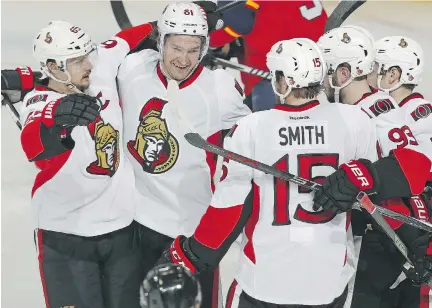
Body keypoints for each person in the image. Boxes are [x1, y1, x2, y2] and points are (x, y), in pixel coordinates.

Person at [158, 37, 379, 307]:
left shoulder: (252, 128)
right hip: (328, 283)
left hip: (264, 283)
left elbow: (229, 209)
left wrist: (191, 255)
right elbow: (369, 196)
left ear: (284, 82)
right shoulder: (354, 121)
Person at [117, 3, 251, 307]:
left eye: (193, 50)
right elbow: (99, 56)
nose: (183, 59)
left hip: (189, 233)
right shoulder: (132, 68)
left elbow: (255, 139)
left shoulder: (220, 89)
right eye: (176, 47)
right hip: (135, 224)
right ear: (160, 41)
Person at [18, 20, 154, 308]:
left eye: (87, 54)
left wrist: (179, 20)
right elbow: (33, 144)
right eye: (77, 60)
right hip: (66, 237)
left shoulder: (96, 65)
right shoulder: (39, 103)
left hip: (121, 232)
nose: (88, 64)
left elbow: (128, 38)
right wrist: (58, 118)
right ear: (54, 68)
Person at [317, 25, 432, 308]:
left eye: (325, 72)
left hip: (379, 244)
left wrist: (366, 175)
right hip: (391, 241)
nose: (321, 82)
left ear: (343, 73)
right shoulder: (374, 105)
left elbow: (416, 169)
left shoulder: (371, 113)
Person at [368, 35, 432, 308]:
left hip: (415, 237)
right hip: (405, 230)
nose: (369, 75)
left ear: (393, 75)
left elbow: (421, 183)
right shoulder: (401, 111)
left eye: (375, 68)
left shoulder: (415, 116)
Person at [209, 0, 328, 112]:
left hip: (275, 80)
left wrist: (210, 42)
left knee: (268, 130)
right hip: (317, 74)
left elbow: (237, 24)